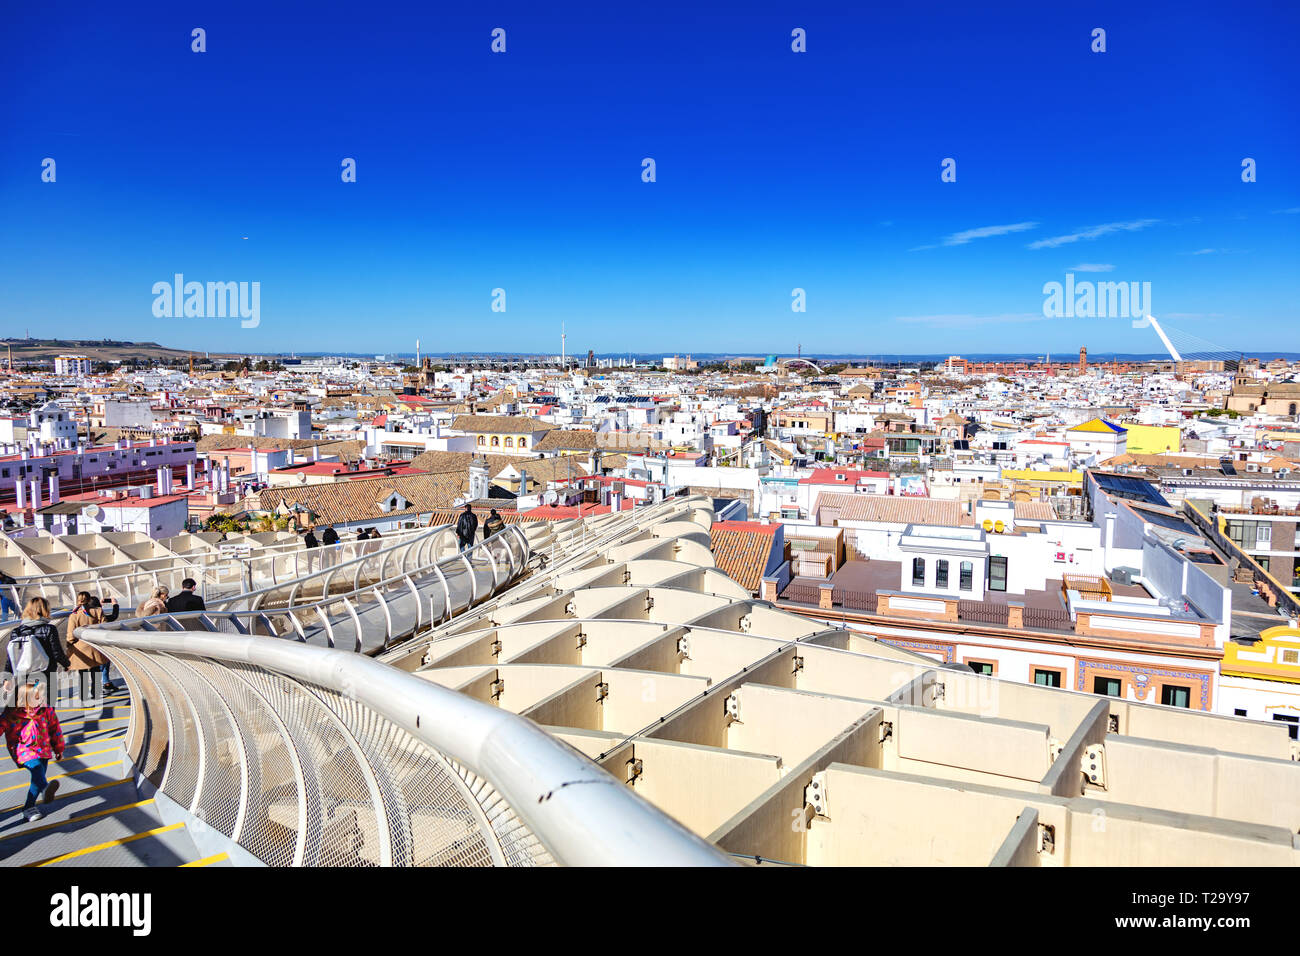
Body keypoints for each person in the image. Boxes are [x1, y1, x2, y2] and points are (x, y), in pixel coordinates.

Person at [1, 680, 65, 821]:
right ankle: (45, 789)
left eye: (41, 696)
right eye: (37, 697)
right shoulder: (12, 713)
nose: (41, 699)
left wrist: (58, 748)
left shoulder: (46, 711)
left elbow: (55, 729)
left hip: (43, 749)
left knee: (37, 778)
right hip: (22, 749)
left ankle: (29, 807)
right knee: (36, 769)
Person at [5, 597, 70, 705]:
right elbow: (57, 653)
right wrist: (66, 664)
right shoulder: (49, 629)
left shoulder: (16, 632)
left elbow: (11, 658)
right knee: (47, 705)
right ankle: (46, 721)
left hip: (24, 674)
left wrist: (7, 677)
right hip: (46, 673)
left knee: (29, 705)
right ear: (45, 610)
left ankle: (33, 722)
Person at [67, 594, 119, 700]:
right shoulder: (98, 611)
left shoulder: (74, 614)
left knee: (83, 672)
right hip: (95, 646)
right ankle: (95, 693)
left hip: (80, 647)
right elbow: (104, 626)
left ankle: (83, 695)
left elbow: (70, 635)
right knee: (95, 671)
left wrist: (70, 645)